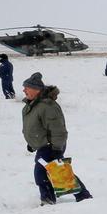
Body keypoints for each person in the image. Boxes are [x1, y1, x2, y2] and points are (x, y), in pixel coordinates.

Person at [20, 72, 91, 205]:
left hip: (51, 145)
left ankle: (48, 199)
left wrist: (56, 147)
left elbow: (58, 129)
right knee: (58, 171)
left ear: (36, 90)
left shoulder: (47, 106)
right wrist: (32, 143)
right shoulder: (32, 105)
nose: (24, 90)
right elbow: (35, 127)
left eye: (26, 88)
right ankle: (83, 195)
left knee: (42, 173)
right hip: (43, 145)